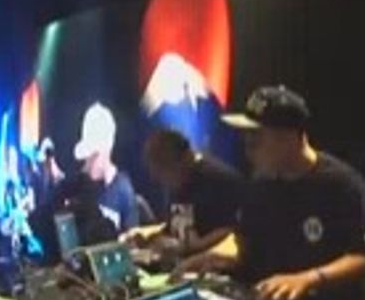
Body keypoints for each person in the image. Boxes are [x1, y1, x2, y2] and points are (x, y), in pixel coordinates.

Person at [181, 85, 365, 300]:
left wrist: (309, 279)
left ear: (289, 138)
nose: (248, 147)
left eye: (256, 137)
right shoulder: (260, 184)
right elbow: (245, 241)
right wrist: (212, 258)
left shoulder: (341, 184)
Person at [141, 128, 246, 258]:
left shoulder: (220, 180)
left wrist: (198, 246)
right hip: (183, 262)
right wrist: (152, 240)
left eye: (161, 169)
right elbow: (179, 228)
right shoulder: (179, 185)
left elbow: (234, 227)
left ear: (183, 159)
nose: (157, 179)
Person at [73, 103, 155, 237]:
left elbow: (132, 240)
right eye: (87, 157)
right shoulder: (82, 189)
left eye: (94, 156)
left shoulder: (123, 191)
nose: (89, 164)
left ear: (107, 150)